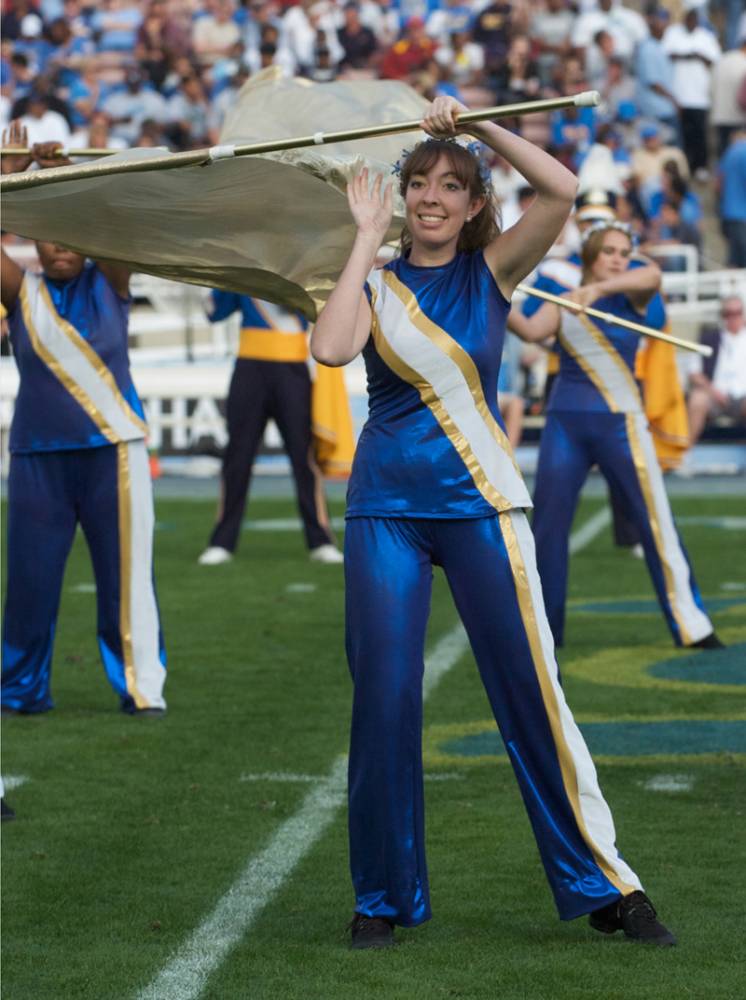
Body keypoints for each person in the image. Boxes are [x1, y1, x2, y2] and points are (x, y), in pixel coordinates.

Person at [311, 95, 676, 951]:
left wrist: (473, 127)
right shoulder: (374, 278)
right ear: (404, 197)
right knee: (386, 702)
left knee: (531, 692)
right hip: (386, 512)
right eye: (420, 184)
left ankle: (605, 882)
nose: (433, 197)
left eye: (451, 186)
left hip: (482, 504)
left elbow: (561, 187)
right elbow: (329, 351)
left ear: (476, 203)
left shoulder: (494, 273)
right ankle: (382, 897)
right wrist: (364, 236)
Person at [0, 124, 167, 717]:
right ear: (34, 242)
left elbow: (119, 219)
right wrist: (15, 177)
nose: (60, 248)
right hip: (36, 458)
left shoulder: (112, 278)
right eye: (48, 236)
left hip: (114, 455)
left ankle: (141, 687)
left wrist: (70, 170)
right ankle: (20, 690)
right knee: (28, 586)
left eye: (70, 235)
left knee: (126, 581)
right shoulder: (21, 292)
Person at [508, 219, 722, 653]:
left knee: (655, 521)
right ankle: (546, 631)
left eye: (624, 251)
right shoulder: (562, 297)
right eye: (609, 251)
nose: (619, 258)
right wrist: (492, 287)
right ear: (589, 257)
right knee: (548, 527)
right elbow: (530, 331)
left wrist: (597, 292)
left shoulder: (633, 294)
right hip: (564, 423)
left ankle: (691, 624)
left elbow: (653, 274)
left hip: (622, 424)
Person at [198, 293, 343, 567]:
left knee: (303, 457)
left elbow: (320, 307)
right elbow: (214, 311)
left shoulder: (299, 266)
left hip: (293, 368)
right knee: (237, 458)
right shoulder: (243, 265)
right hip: (250, 366)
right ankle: (221, 541)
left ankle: (320, 540)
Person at [687, 295, 746, 446]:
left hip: (742, 397)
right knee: (697, 399)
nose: (733, 317)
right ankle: (684, 453)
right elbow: (694, 373)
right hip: (714, 395)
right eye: (728, 314)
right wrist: (713, 391)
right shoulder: (708, 338)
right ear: (722, 316)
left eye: (737, 312)